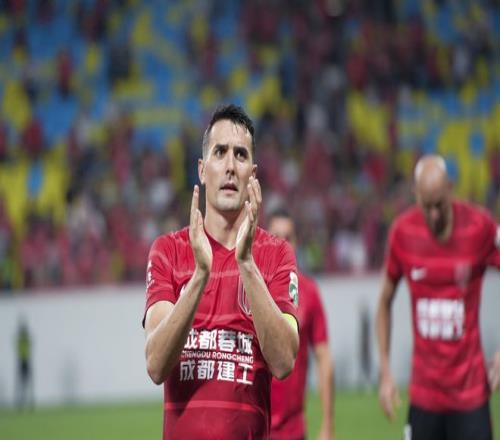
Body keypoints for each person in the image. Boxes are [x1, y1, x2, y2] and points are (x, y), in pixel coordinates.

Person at [143, 104, 300, 439]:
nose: (230, 166)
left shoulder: (276, 254)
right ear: (202, 170)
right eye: (220, 152)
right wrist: (201, 275)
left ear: (252, 175)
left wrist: (247, 264)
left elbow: (284, 362)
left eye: (240, 155)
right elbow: (156, 365)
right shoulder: (168, 251)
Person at [376, 154, 500, 440]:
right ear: (416, 195)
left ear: (450, 189)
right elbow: (384, 302)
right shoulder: (403, 233)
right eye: (427, 206)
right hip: (424, 398)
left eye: (440, 205)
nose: (433, 215)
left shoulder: (479, 227)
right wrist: (385, 372)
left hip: (470, 397)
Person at [267, 209, 334, 440]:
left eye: (288, 238)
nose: (283, 245)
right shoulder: (248, 290)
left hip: (293, 431)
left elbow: (324, 359)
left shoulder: (309, 293)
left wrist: (327, 424)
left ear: (296, 243)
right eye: (276, 237)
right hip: (253, 428)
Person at [15, 318, 34, 410]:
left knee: (26, 383)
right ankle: (22, 403)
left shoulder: (24, 339)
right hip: (23, 361)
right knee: (22, 384)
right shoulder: (23, 340)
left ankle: (28, 403)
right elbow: (21, 350)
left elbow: (27, 348)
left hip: (25, 361)